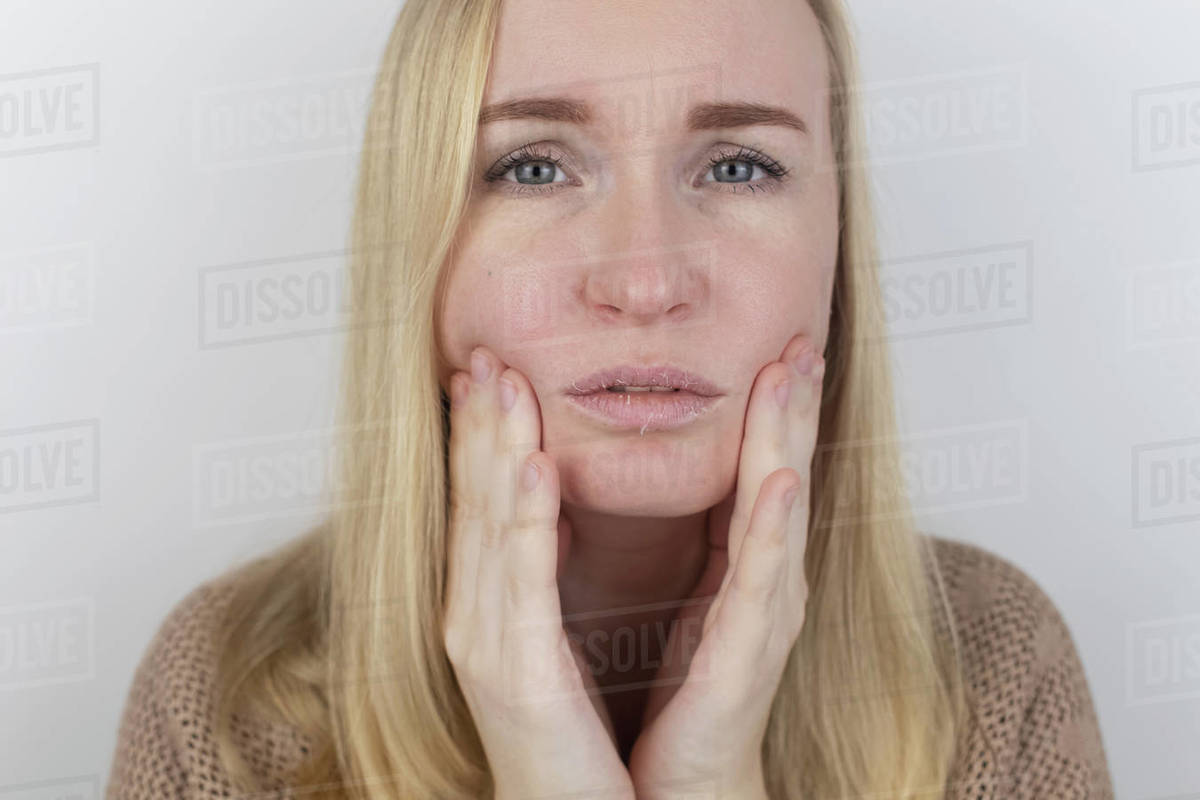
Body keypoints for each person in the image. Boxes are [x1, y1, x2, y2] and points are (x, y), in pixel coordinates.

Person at [106, 0, 1115, 797]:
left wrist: (713, 785)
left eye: (739, 165)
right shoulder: (226, 701)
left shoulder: (991, 669)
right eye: (535, 166)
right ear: (420, 252)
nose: (644, 281)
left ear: (838, 256)